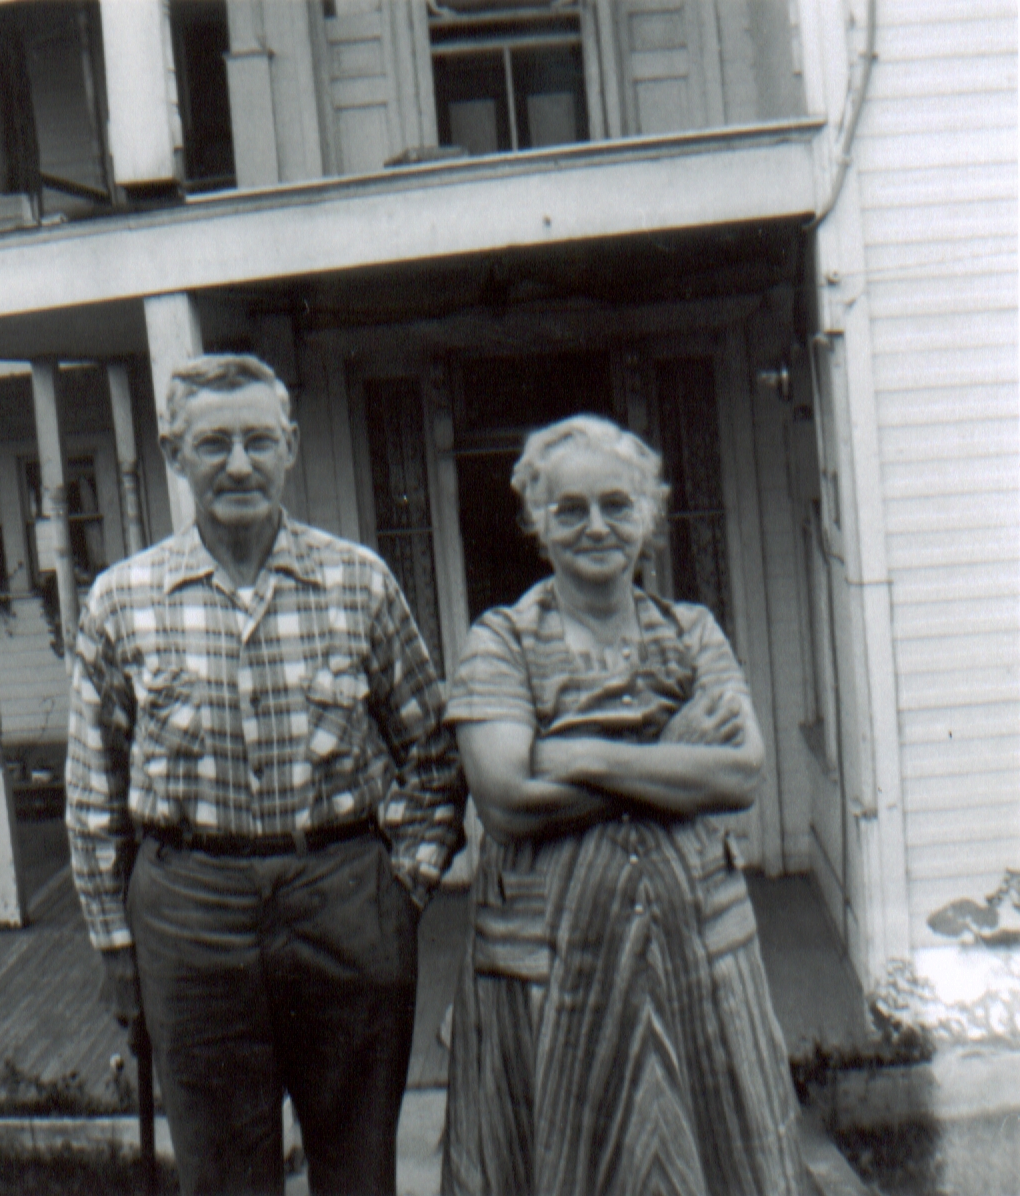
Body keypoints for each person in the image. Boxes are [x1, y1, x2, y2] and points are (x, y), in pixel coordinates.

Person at [66, 354, 466, 1196]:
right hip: (189, 906)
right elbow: (93, 796)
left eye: (257, 441)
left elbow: (435, 752)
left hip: (344, 894)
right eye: (213, 444)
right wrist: (115, 945)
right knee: (221, 1175)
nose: (238, 465)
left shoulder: (358, 581)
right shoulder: (121, 598)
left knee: (357, 1165)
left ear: (290, 446)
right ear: (175, 455)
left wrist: (404, 888)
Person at [440, 415, 808, 1196]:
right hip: (549, 969)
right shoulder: (499, 640)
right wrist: (671, 751)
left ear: (649, 514)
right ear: (535, 522)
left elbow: (739, 775)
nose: (595, 525)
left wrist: (580, 751)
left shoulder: (693, 631)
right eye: (568, 509)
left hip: (696, 957)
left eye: (616, 503)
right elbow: (506, 798)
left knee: (717, 1159)